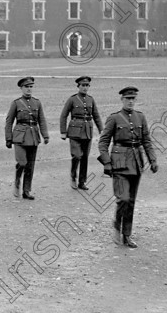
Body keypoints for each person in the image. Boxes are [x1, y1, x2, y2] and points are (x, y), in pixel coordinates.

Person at [97, 87, 159, 249]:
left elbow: (146, 140)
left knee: (131, 201)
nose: (131, 101)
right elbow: (103, 142)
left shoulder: (140, 117)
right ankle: (117, 225)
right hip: (119, 163)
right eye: (128, 98)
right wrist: (107, 162)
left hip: (136, 163)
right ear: (122, 100)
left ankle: (127, 235)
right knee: (122, 199)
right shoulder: (114, 118)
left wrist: (152, 160)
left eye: (133, 98)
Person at [5, 77, 49, 200]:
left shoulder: (37, 102)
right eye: (26, 87)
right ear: (21, 88)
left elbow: (42, 120)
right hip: (19, 137)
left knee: (30, 165)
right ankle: (17, 181)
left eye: (31, 87)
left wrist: (45, 135)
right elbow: (9, 121)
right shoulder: (16, 103)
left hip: (33, 136)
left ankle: (26, 190)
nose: (29, 89)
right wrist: (8, 138)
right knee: (22, 162)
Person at [59, 75, 104, 191]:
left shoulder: (91, 99)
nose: (85, 88)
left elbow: (96, 116)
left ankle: (82, 182)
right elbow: (63, 115)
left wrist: (101, 130)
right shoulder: (72, 99)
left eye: (87, 85)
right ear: (78, 86)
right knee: (76, 155)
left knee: (85, 157)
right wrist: (63, 132)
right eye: (82, 85)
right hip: (74, 131)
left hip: (87, 131)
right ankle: (73, 176)